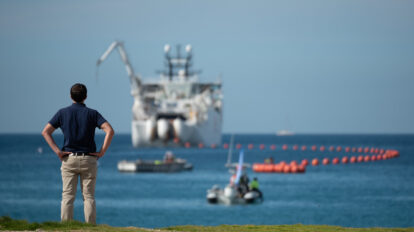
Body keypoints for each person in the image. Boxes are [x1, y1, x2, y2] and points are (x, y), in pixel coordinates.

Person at [42, 83, 114, 224]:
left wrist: (58, 151)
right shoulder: (92, 113)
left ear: (70, 96)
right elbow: (109, 130)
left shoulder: (62, 113)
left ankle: (66, 227)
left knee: (68, 196)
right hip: (89, 159)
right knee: (88, 197)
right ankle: (90, 227)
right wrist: (102, 151)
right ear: (85, 97)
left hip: (69, 159)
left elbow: (46, 132)